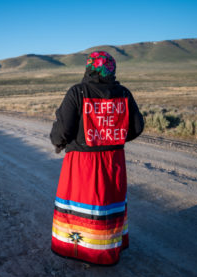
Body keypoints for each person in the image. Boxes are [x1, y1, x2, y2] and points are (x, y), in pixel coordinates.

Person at [50, 51, 144, 265]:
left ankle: (80, 249)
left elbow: (63, 129)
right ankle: (107, 247)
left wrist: (58, 142)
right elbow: (137, 127)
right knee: (108, 204)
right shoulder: (123, 93)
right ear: (112, 69)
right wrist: (114, 137)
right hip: (113, 160)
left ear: (89, 68)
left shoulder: (78, 92)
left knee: (82, 205)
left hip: (83, 163)